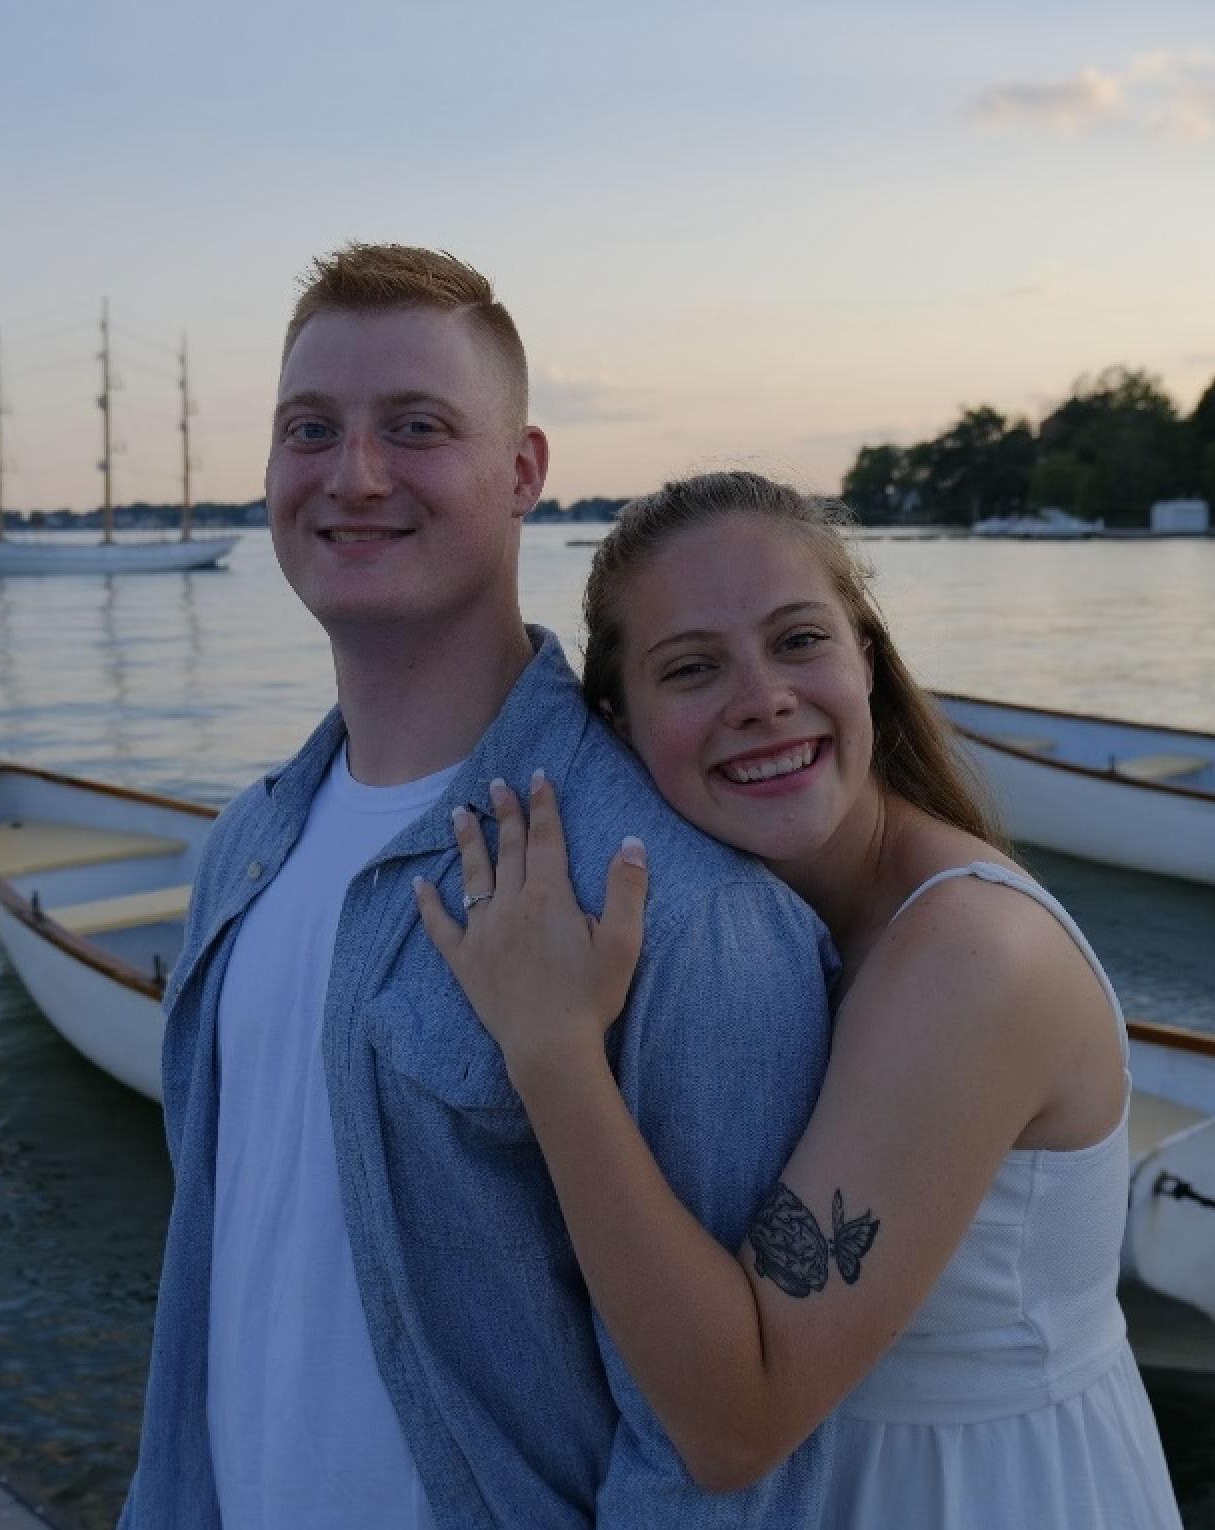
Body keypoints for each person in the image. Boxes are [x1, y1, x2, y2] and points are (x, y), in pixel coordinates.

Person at [119, 255, 838, 1527]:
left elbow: (716, 1458)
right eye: (310, 430)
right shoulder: (245, 846)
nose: (353, 476)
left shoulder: (672, 899)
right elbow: (220, 1277)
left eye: (417, 427)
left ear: (522, 472)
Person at [417, 470, 1182, 1527]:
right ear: (620, 725)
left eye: (798, 641)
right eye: (692, 669)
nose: (762, 698)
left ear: (866, 657)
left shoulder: (969, 955)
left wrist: (552, 1055)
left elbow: (735, 1426)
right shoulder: (749, 928)